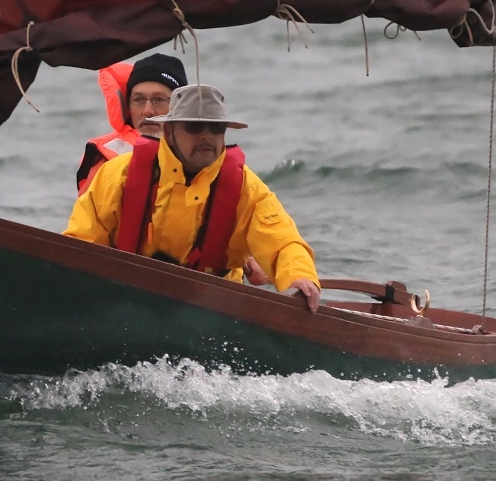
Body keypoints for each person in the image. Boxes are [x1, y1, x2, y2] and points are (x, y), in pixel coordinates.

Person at [64, 84, 321, 310]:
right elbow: (80, 244)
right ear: (169, 132)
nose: (207, 136)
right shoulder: (118, 175)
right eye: (195, 126)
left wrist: (299, 277)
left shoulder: (247, 188)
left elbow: (282, 240)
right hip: (126, 300)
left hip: (213, 312)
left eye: (216, 127)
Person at [75, 53, 188, 194]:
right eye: (138, 100)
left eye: (158, 99)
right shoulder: (105, 158)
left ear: (180, 105)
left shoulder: (202, 150)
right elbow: (88, 215)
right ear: (128, 105)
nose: (148, 111)